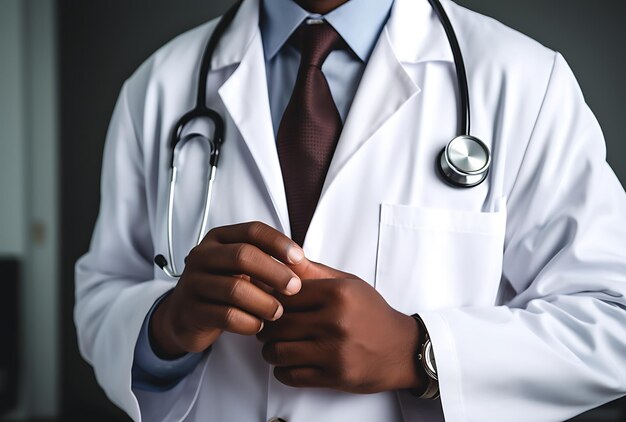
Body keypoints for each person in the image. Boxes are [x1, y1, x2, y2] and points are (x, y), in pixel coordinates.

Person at [74, 0, 626, 420]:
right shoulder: (159, 85)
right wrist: (166, 326)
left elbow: (613, 318)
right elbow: (103, 293)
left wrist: (421, 353)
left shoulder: (524, 80)